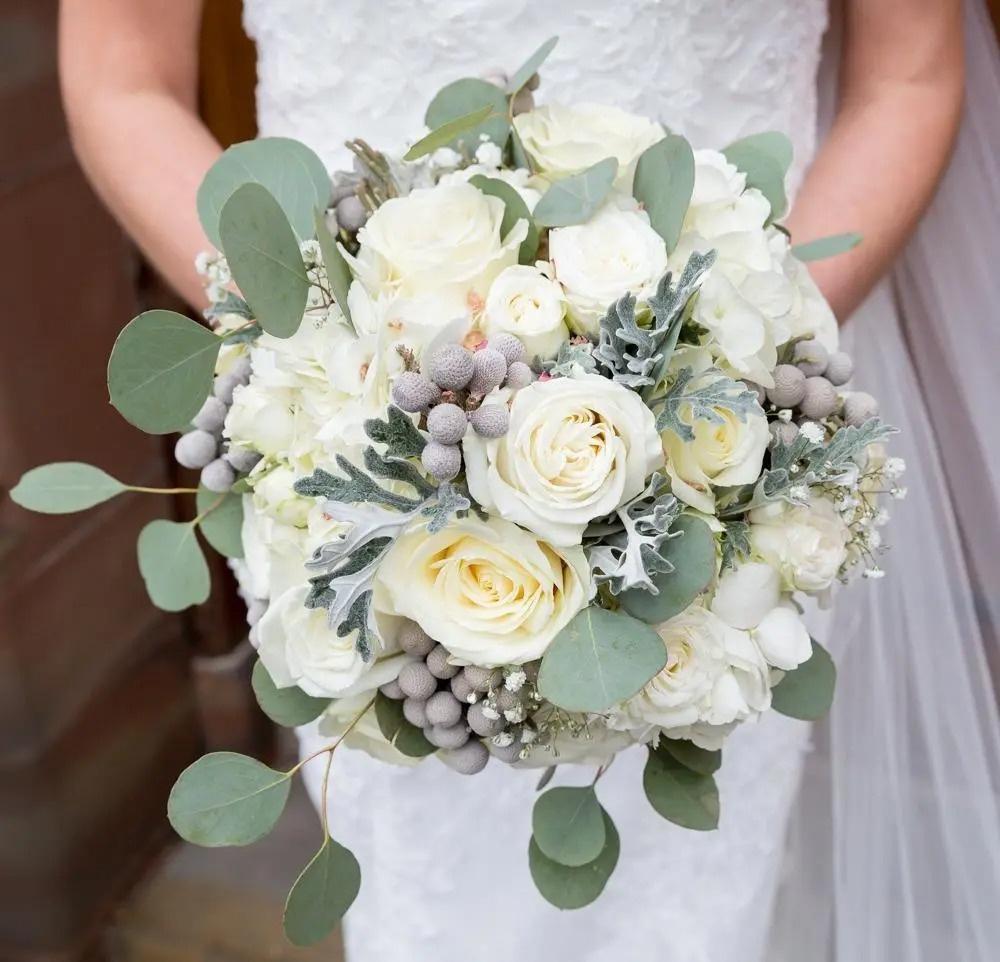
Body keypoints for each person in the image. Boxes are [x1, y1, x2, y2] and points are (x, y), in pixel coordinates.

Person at [58, 1, 1000, 959]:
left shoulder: (728, 406)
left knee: (694, 876)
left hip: (724, 462)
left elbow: (908, 78)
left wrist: (717, 356)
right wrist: (328, 345)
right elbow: (120, 79)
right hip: (360, 470)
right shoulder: (354, 420)